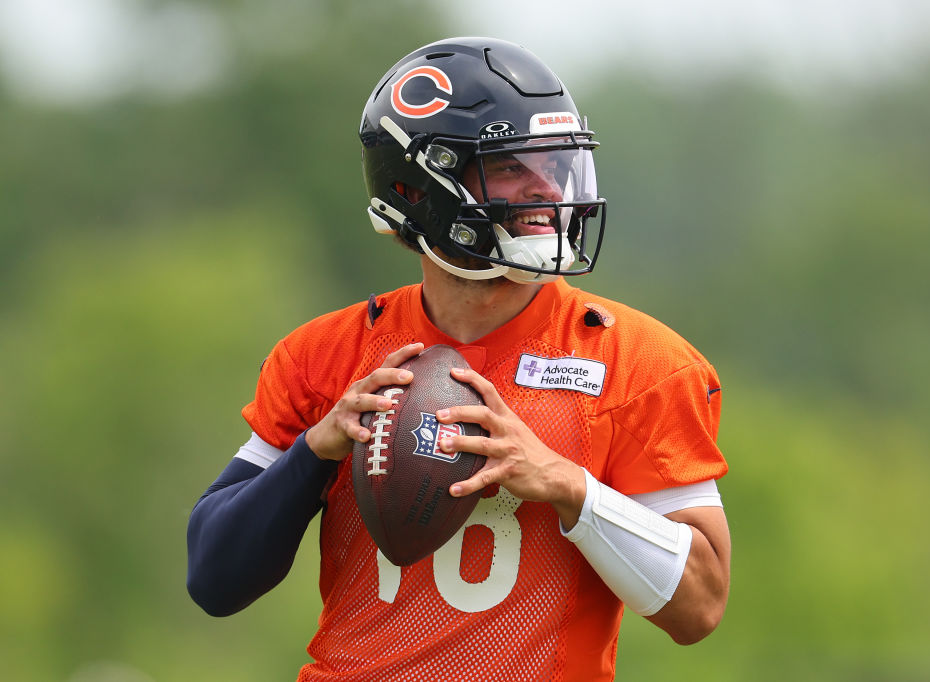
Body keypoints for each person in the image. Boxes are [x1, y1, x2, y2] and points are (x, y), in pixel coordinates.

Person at [186, 36, 730, 681]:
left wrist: (566, 485)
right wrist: (316, 450)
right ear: (419, 187)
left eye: (555, 166)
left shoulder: (638, 362)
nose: (546, 191)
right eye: (510, 168)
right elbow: (214, 580)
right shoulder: (326, 356)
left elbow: (698, 607)